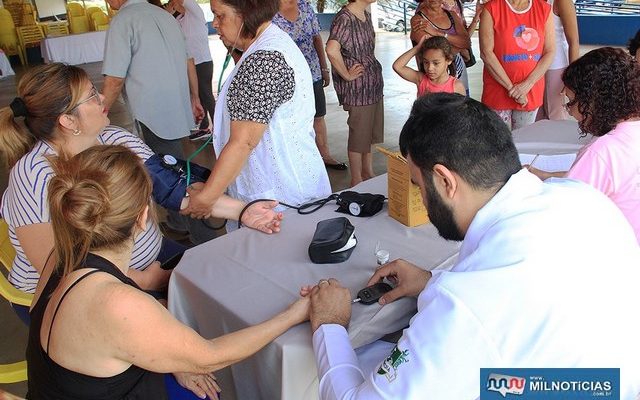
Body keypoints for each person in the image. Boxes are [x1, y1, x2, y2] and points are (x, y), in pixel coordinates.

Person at [305, 94, 640, 399]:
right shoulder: (584, 198)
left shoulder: (463, 303)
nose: (421, 197)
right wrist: (431, 281)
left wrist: (331, 326)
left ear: (445, 181)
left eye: (418, 185)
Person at [0, 63, 282, 324]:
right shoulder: (33, 175)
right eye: (91, 96)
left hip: (147, 259)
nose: (102, 99)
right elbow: (58, 268)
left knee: (222, 283)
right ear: (67, 121)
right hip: (73, 290)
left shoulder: (115, 139)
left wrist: (243, 212)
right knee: (177, 323)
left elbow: (173, 189)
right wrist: (143, 282)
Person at [26, 145, 309, 399]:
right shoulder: (116, 302)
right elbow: (211, 357)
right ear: (142, 218)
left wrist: (172, 360)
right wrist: (294, 314)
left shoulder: (61, 255)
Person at [181, 0, 331, 220]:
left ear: (246, 14)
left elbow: (243, 142)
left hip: (281, 198)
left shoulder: (264, 60)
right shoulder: (270, 45)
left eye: (220, 15)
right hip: (285, 188)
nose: (214, 24)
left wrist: (206, 198)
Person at [102, 0, 216, 244]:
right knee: (177, 164)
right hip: (177, 104)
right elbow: (189, 60)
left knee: (166, 171)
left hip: (151, 111)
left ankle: (192, 232)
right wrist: (194, 97)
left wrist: (100, 113)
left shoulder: (124, 20)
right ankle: (187, 224)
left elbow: (114, 78)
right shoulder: (164, 15)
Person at [528, 47, 640, 244]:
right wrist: (545, 175)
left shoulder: (602, 152)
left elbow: (565, 214)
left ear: (596, 101)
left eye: (571, 102)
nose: (569, 112)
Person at [273, 0, 347, 171]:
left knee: (318, 116)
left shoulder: (305, 7)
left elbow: (316, 39)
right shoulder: (269, 11)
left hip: (311, 72)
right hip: (285, 76)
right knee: (290, 119)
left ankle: (325, 155)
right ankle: (296, 160)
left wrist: (324, 68)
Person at [326, 0, 384, 187]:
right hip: (359, 89)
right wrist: (347, 75)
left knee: (369, 133)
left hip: (372, 84)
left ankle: (367, 172)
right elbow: (332, 50)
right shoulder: (345, 18)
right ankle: (357, 179)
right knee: (359, 134)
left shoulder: (365, 14)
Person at [479, 0, 555, 130]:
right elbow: (486, 53)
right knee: (499, 144)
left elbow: (550, 51)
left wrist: (527, 85)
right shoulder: (492, 8)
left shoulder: (544, 9)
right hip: (497, 92)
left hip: (530, 92)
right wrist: (513, 89)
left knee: (523, 143)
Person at [165, 0, 217, 141]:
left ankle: (219, 129)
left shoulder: (195, 13)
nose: (171, 4)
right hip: (190, 65)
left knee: (206, 95)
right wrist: (168, 13)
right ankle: (204, 127)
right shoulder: (177, 20)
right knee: (197, 97)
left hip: (202, 62)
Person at [409, 0, 471, 92]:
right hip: (433, 73)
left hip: (458, 69)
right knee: (436, 104)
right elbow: (431, 49)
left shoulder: (452, 15)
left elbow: (466, 42)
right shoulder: (418, 19)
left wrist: (437, 33)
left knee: (460, 103)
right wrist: (458, 46)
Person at [536, 0, 579, 121]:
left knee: (554, 114)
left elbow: (574, 42)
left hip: (555, 66)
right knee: (536, 114)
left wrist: (572, 78)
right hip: (533, 64)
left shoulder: (562, 2)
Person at [393, 35, 466, 97]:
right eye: (426, 62)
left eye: (436, 63)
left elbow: (461, 113)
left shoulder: (456, 86)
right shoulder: (421, 80)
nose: (430, 68)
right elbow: (397, 66)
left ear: (448, 60)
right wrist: (417, 48)